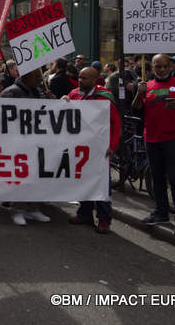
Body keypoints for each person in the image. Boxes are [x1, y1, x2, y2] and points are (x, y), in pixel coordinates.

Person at [132, 54, 175, 236]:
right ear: (152, 67)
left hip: (174, 137)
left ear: (171, 67)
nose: (161, 70)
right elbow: (136, 109)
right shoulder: (147, 86)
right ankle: (161, 213)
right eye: (157, 66)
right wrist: (139, 92)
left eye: (165, 66)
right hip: (152, 138)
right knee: (157, 178)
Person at [64, 67, 121, 233]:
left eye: (85, 78)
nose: (81, 80)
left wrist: (112, 145)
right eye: (80, 77)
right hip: (81, 147)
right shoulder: (74, 94)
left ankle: (104, 219)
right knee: (84, 181)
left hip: (100, 148)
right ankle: (85, 213)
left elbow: (115, 124)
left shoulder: (105, 98)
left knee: (102, 185)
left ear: (95, 80)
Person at [0, 69, 52, 225]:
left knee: (37, 176)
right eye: (37, 76)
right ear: (27, 76)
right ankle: (17, 209)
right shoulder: (10, 93)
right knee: (22, 177)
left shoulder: (39, 91)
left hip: (38, 141)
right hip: (19, 143)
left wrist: (51, 100)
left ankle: (33, 208)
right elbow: (2, 118)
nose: (40, 80)